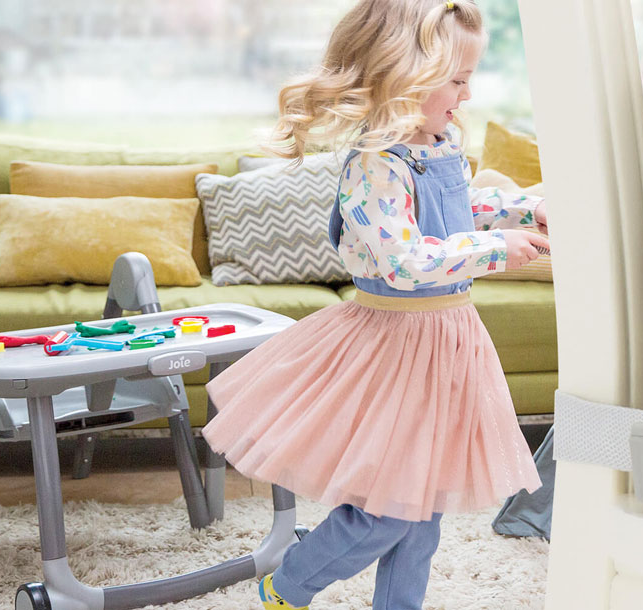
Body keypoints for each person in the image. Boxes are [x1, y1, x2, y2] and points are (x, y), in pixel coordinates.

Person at [200, 1, 549, 608]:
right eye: (457, 80)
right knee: (388, 511)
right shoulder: (374, 164)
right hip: (394, 345)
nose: (466, 96)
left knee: (422, 509)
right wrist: (496, 248)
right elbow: (403, 260)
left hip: (447, 341)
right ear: (405, 77)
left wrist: (526, 210)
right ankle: (286, 587)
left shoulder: (438, 145)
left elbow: (461, 210)